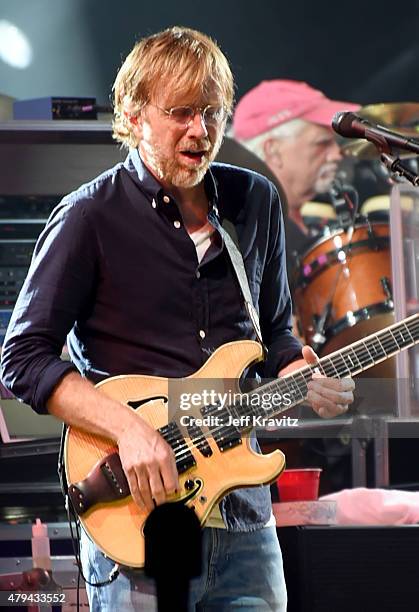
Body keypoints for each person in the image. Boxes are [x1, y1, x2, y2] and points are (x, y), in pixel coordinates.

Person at [0, 27, 355, 611]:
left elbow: (276, 335)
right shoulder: (89, 217)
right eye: (181, 113)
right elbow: (23, 359)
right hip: (139, 520)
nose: (200, 131)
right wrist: (130, 430)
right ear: (135, 114)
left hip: (243, 518)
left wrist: (301, 369)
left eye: (212, 113)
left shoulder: (255, 202)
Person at [232, 79, 360, 271]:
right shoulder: (249, 236)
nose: (337, 154)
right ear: (273, 150)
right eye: (322, 143)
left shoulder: (308, 226)